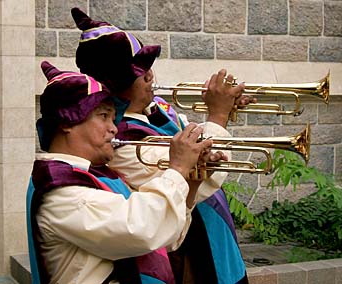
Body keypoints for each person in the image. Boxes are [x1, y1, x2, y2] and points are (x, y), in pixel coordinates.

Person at [71, 7, 251, 284]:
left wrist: (224, 106)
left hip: (214, 231)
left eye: (148, 67)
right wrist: (218, 115)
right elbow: (199, 179)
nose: (150, 76)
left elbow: (195, 138)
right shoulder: (117, 140)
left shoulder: (156, 110)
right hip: (189, 251)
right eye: (139, 71)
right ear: (116, 83)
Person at [26, 61, 218, 284]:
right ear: (67, 121)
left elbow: (161, 240)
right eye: (103, 116)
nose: (114, 128)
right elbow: (139, 229)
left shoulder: (97, 175)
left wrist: (191, 183)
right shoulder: (60, 190)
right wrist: (177, 169)